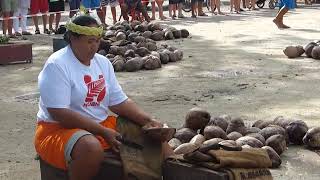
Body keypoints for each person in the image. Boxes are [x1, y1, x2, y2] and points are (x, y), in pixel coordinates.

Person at [34, 15, 169, 180]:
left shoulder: (103, 63)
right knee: (91, 147)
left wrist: (148, 120)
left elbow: (119, 101)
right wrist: (101, 131)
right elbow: (59, 113)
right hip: (59, 130)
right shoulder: (57, 65)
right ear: (72, 39)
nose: (94, 47)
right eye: (89, 41)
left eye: (97, 41)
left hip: (102, 125)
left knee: (157, 139)